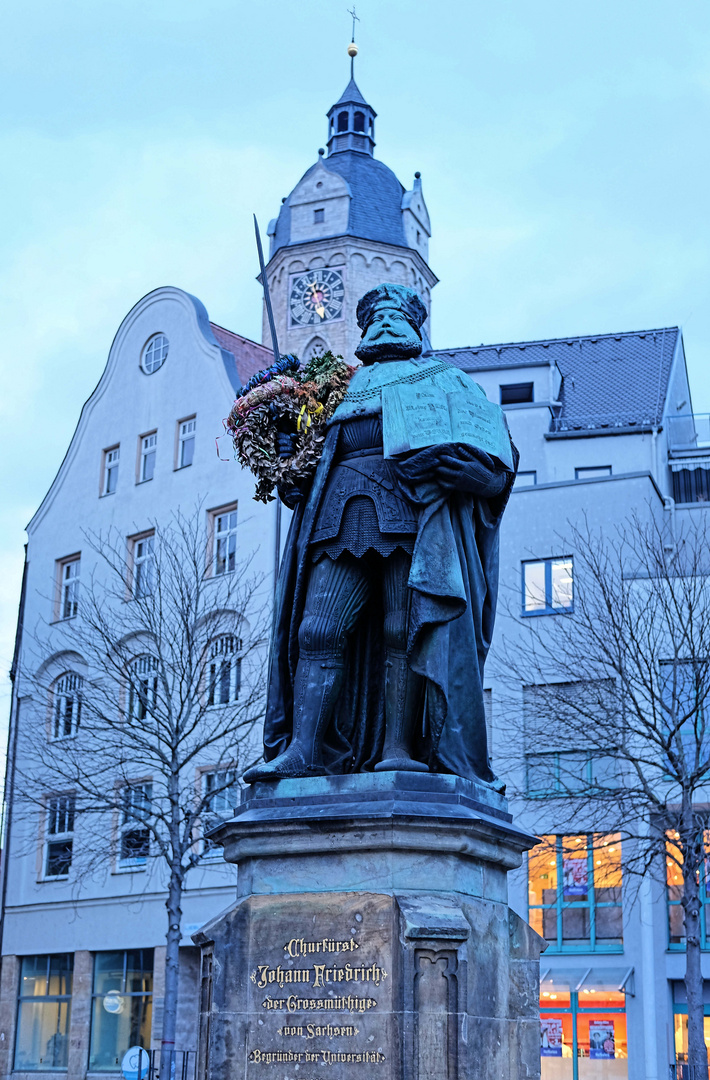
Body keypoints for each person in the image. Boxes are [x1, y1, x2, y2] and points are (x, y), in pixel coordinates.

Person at [244, 283, 516, 785]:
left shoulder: (446, 381)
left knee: (404, 629)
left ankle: (399, 749)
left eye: (398, 316)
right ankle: (304, 750)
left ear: (417, 328)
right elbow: (305, 473)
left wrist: (473, 476)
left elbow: (496, 465)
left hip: (415, 518)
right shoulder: (333, 390)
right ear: (364, 330)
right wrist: (288, 462)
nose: (387, 324)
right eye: (376, 318)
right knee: (318, 631)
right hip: (336, 518)